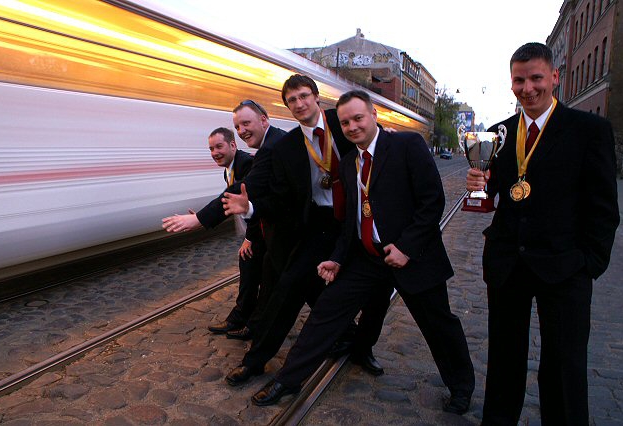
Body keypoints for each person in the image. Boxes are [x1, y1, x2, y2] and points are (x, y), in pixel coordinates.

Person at [248, 90, 475, 413]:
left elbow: (432, 201)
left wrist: (406, 248)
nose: (352, 127)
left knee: (439, 325)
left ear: (373, 116)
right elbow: (350, 221)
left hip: (413, 257)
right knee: (325, 313)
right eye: (345, 123)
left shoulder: (406, 145)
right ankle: (288, 380)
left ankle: (461, 388)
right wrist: (337, 257)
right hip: (367, 258)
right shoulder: (348, 164)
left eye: (358, 118)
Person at [466, 42, 619, 425]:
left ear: (554, 77)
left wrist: (588, 264)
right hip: (508, 265)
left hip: (565, 267)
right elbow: (492, 197)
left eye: (536, 78)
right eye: (519, 80)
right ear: (511, 83)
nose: (528, 88)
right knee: (503, 362)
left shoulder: (589, 130)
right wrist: (478, 186)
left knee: (565, 366)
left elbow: (603, 207)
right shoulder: (498, 134)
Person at [222, 76, 391, 387]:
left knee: (377, 295)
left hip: (362, 219)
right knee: (287, 289)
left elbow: (373, 139)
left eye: (303, 96)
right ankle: (254, 361)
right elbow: (280, 197)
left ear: (316, 97)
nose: (299, 104)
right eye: (292, 100)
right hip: (320, 224)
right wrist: (250, 207)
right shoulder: (287, 145)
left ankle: (362, 349)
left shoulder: (342, 123)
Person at [162, 101, 286, 339]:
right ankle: (247, 321)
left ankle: (249, 323)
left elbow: (248, 196)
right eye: (211, 149)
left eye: (219, 146)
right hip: (264, 230)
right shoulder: (230, 168)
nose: (215, 153)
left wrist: (201, 219)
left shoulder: (250, 161)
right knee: (261, 276)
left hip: (272, 231)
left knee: (278, 281)